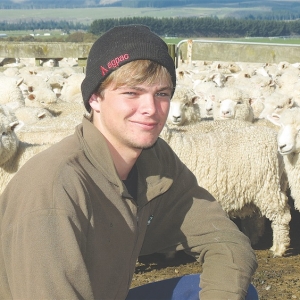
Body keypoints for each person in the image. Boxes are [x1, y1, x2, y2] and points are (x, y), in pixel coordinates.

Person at [0, 24, 257, 299]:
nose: (150, 109)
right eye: (131, 93)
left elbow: (226, 241)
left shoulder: (154, 162)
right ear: (95, 98)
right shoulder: (54, 189)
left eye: (161, 93)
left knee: (226, 291)